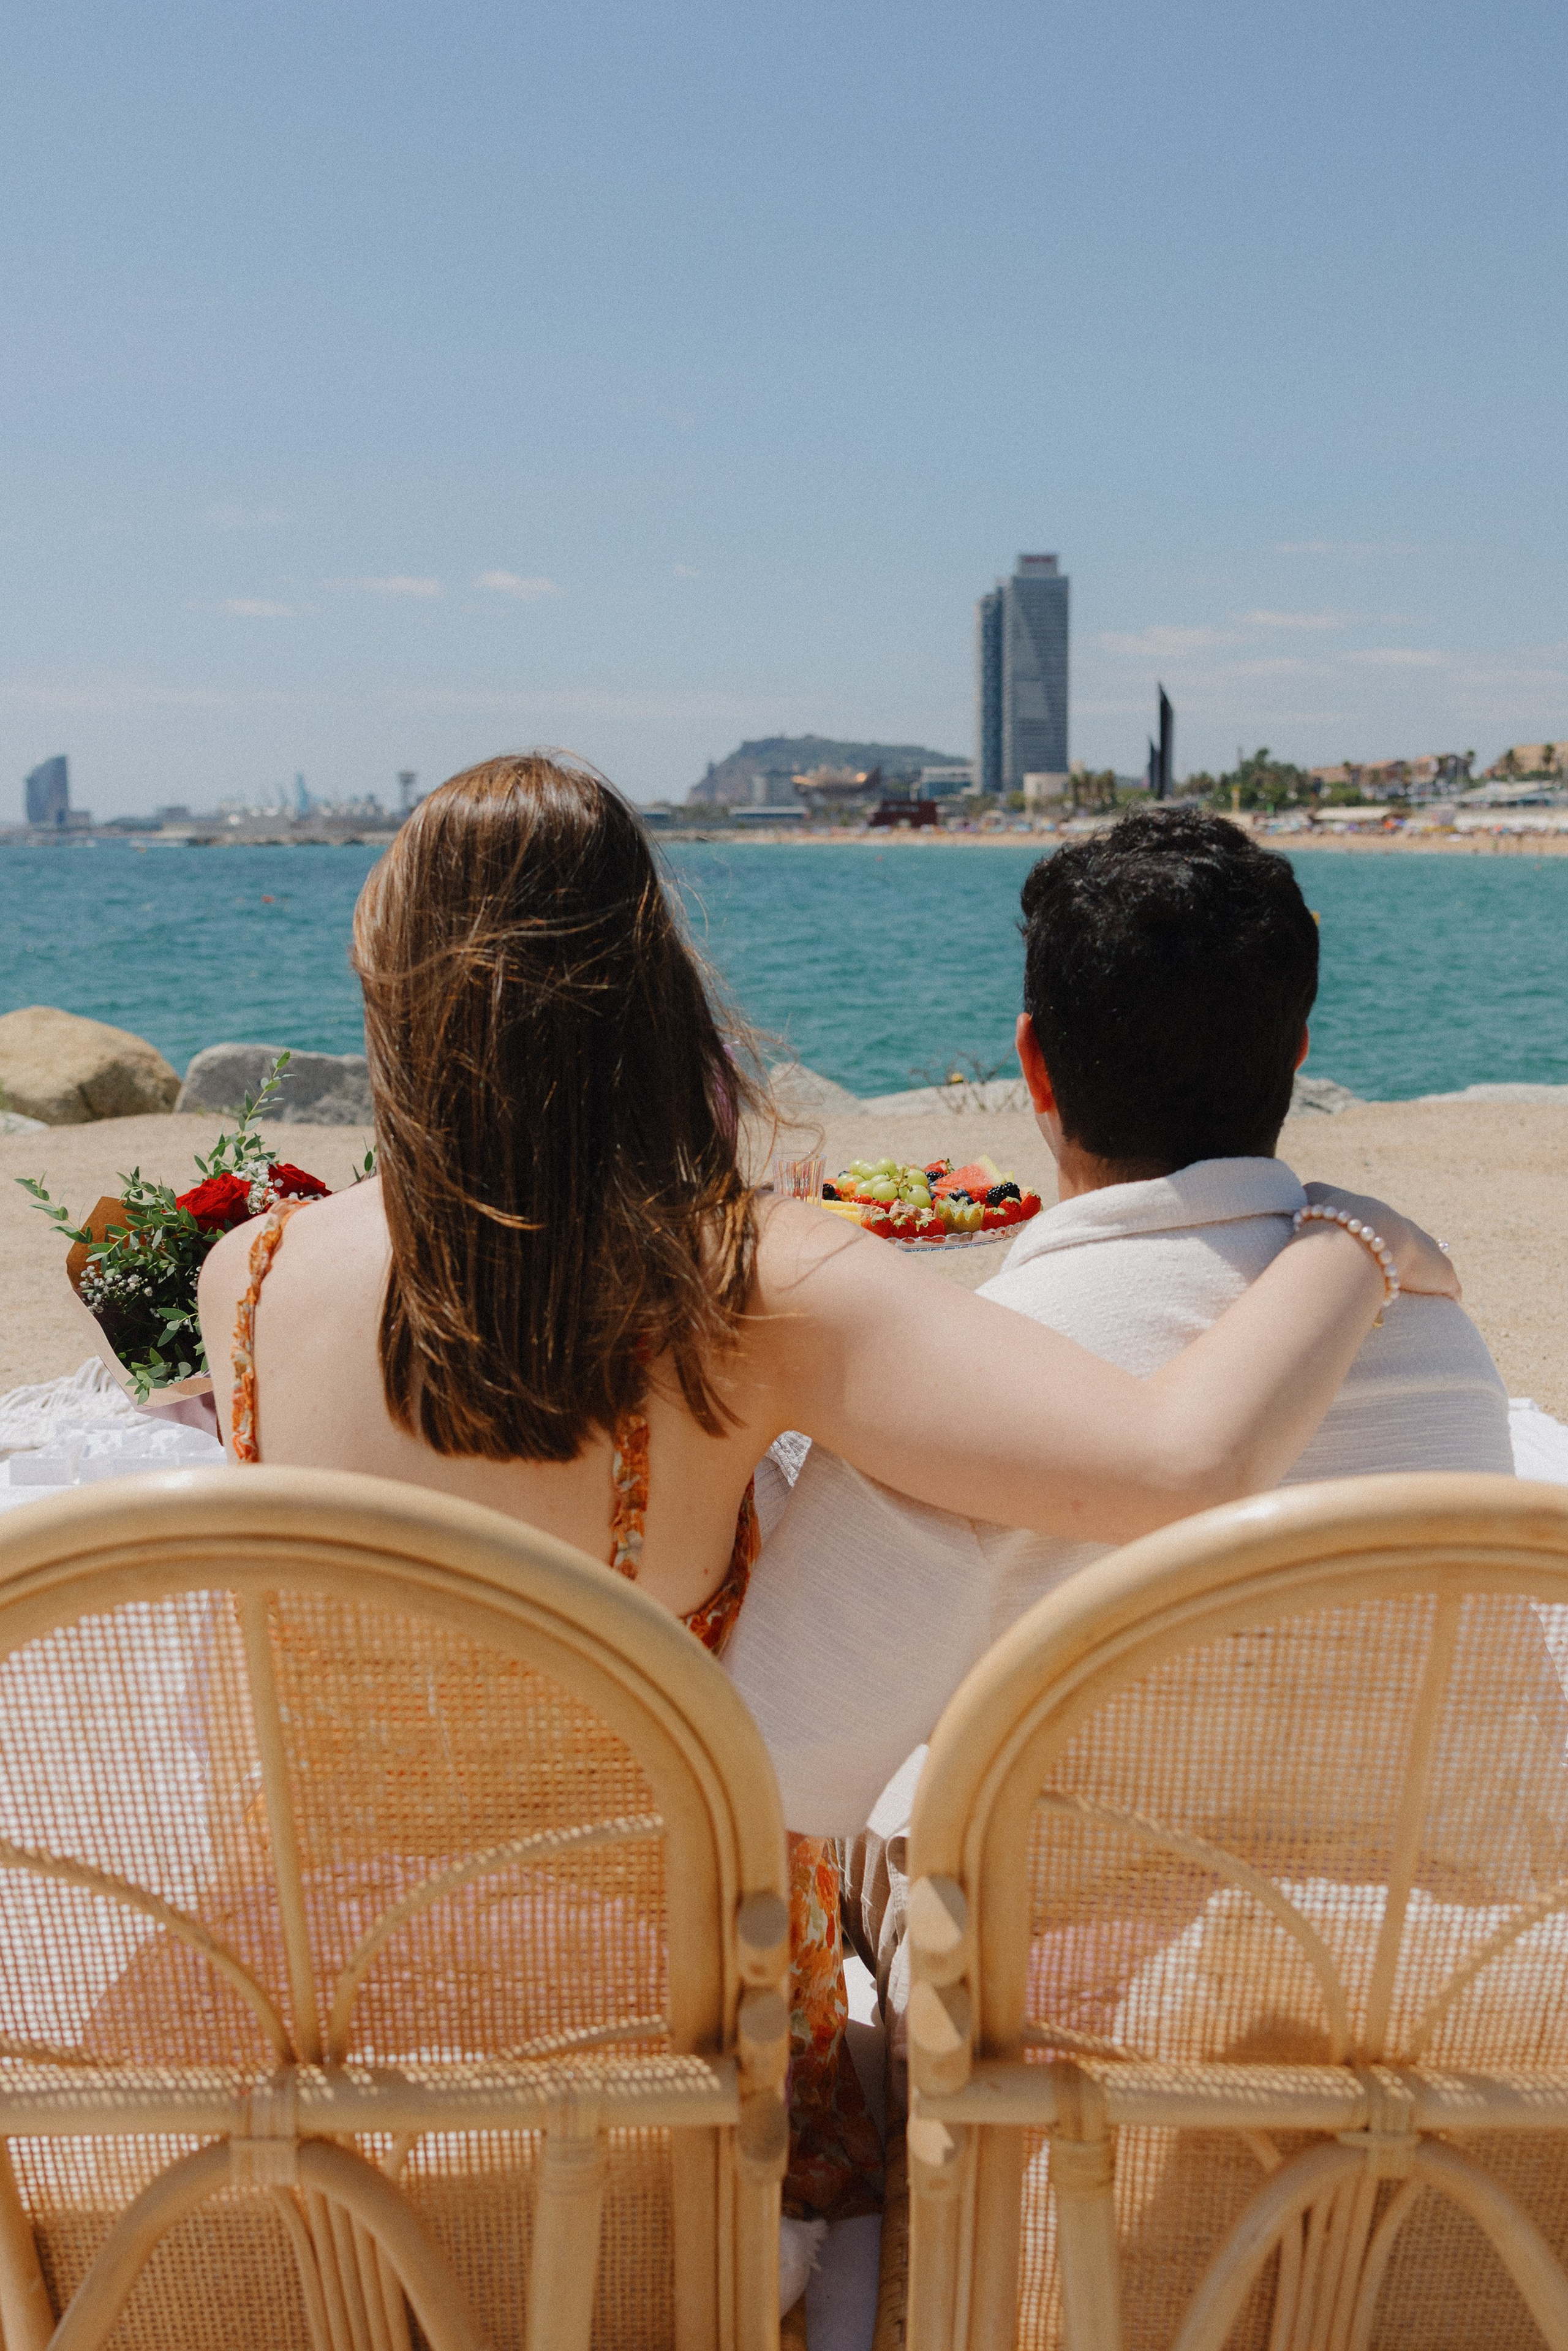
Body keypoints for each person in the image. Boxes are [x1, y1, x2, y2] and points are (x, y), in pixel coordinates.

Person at [197, 761, 1453, 2274]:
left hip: (327, 2011)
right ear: (648, 983)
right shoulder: (743, 1277)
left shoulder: (245, 1280)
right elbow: (1180, 1462)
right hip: (656, 2041)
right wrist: (1347, 1234)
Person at [717, 809, 1550, 2145]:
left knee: (873, 1814)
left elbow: (776, 1763)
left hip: (1093, 2062)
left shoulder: (991, 1379)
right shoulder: (1427, 1325)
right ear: (1293, 1048)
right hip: (1424, 1990)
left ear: (1033, 1063)